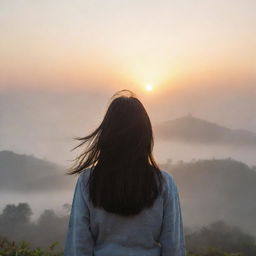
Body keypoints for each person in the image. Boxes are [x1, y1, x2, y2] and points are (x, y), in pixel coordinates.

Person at [63, 89, 186, 256]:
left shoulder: (88, 180)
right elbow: (173, 246)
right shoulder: (164, 183)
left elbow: (79, 245)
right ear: (145, 136)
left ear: (106, 134)